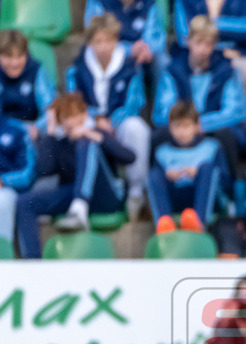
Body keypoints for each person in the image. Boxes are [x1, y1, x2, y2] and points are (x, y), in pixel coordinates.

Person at [14, 93, 135, 256]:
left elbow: (129, 157)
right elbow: (44, 170)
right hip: (71, 197)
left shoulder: (96, 133)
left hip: (106, 196)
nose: (74, 124)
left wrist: (95, 136)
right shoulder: (58, 142)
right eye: (67, 120)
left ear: (85, 114)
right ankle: (33, 263)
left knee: (87, 143)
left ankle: (80, 205)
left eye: (77, 117)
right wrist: (49, 132)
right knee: (25, 202)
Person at [66, 13, 151, 220]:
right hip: (90, 123)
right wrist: (95, 119)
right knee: (77, 129)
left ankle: (136, 190)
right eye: (98, 42)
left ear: (116, 41)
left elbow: (134, 102)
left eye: (109, 41)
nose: (103, 47)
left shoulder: (131, 67)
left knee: (136, 127)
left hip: (117, 124)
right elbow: (74, 104)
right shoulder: (77, 69)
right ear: (89, 43)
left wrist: (112, 120)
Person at [154, 16, 246, 173]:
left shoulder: (226, 70)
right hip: (181, 128)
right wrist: (186, 125)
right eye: (199, 42)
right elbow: (162, 113)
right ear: (188, 40)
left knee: (226, 134)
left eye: (209, 44)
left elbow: (236, 112)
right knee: (160, 135)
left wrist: (203, 124)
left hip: (213, 128)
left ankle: (233, 187)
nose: (203, 49)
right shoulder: (173, 70)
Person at [174, 0, 246, 117]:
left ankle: (237, 128)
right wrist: (211, 44)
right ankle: (187, 125)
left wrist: (207, 25)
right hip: (198, 53)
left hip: (236, 52)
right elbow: (184, 33)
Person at [148, 101, 230, 234]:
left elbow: (225, 182)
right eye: (177, 126)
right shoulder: (162, 152)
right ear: (170, 128)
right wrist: (167, 176)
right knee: (154, 174)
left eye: (186, 126)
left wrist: (198, 174)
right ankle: (164, 224)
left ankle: (199, 223)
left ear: (197, 126)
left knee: (207, 168)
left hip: (207, 199)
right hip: (177, 196)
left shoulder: (212, 147)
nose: (182, 132)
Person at [83, 0, 168, 75]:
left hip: (144, 52)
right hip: (115, 51)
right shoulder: (98, 2)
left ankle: (164, 93)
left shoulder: (149, 3)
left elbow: (158, 34)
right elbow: (95, 37)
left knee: (163, 60)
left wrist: (148, 48)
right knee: (132, 65)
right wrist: (129, 50)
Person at [0, 29, 57, 137]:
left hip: (32, 130)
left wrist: (37, 127)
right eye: (8, 57)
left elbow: (49, 109)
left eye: (19, 56)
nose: (14, 63)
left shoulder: (36, 71)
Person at [0, 112, 35, 250]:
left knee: (2, 201)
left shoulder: (17, 130)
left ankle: (3, 258)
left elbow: (27, 174)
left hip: (6, 189)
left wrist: (3, 180)